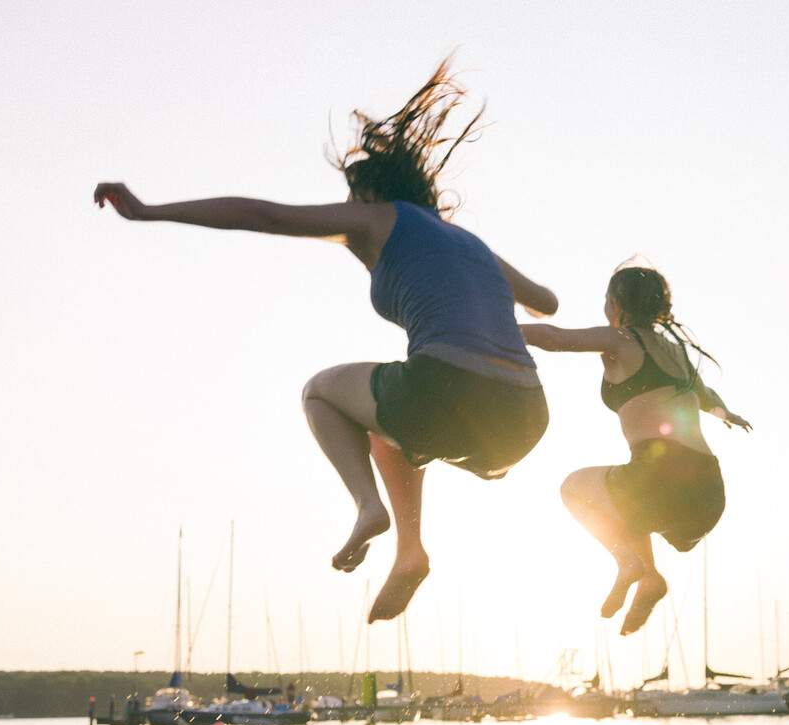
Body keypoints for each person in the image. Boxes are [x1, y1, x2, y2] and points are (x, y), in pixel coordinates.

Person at [93, 59, 557, 622]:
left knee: (320, 391)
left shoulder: (377, 219)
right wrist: (494, 295)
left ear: (365, 194)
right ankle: (410, 552)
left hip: (447, 391)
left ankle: (368, 508)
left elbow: (262, 215)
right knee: (387, 428)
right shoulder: (468, 241)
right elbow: (547, 301)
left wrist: (149, 211)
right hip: (525, 417)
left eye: (349, 197)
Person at [521, 264, 748, 635]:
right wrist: (729, 415)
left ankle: (629, 563)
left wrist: (496, 331)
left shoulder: (622, 340)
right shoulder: (675, 352)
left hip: (660, 477)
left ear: (616, 303)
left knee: (575, 487)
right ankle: (650, 579)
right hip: (708, 493)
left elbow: (554, 337)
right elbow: (707, 398)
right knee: (627, 502)